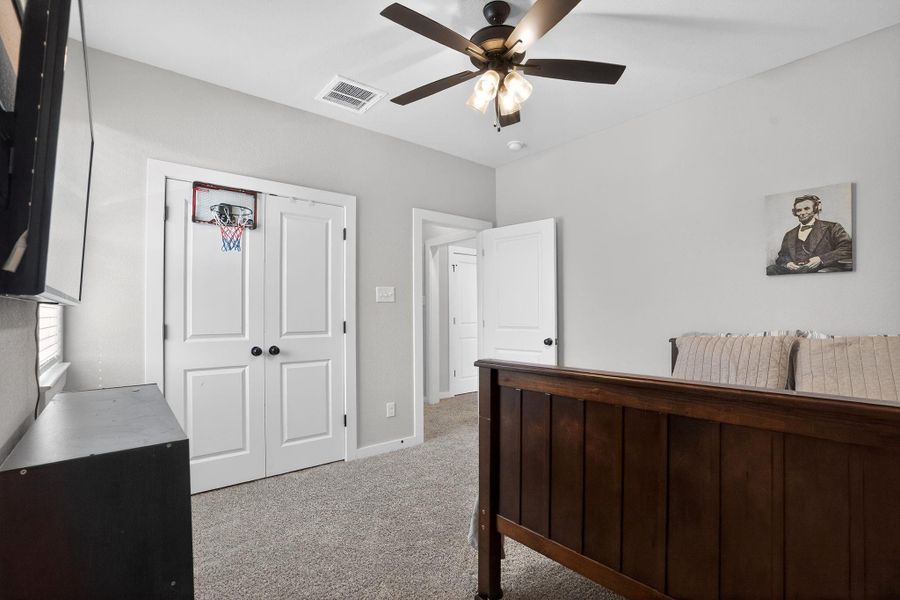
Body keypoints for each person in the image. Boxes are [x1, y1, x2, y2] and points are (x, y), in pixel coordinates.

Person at [767, 195, 852, 275]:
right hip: (794, 271)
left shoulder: (833, 227)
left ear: (815, 209)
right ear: (795, 213)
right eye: (799, 210)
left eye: (806, 208)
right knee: (770, 269)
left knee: (804, 271)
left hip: (821, 269)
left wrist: (821, 259)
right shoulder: (789, 234)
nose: (802, 213)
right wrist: (788, 263)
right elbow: (781, 257)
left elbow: (847, 249)